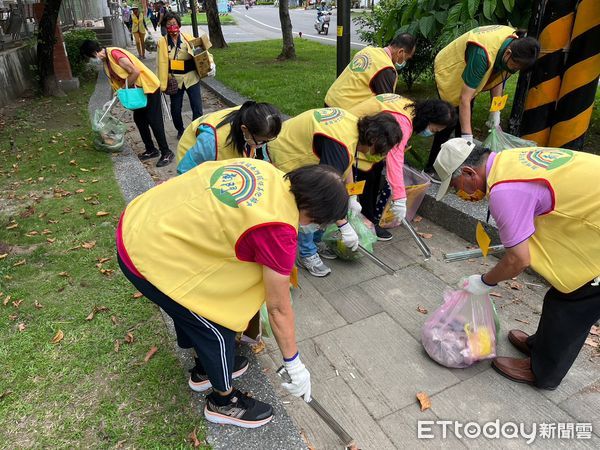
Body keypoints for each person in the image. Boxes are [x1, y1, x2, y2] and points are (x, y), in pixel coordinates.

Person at [117, 160, 349, 427]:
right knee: (214, 326)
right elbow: (278, 308)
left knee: (195, 312)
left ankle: (206, 369)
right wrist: (294, 363)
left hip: (145, 219)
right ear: (312, 210)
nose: (315, 228)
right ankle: (223, 402)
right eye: (318, 223)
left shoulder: (266, 171)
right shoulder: (278, 229)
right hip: (145, 254)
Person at [433, 139, 600, 390]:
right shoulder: (509, 160)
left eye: (457, 186)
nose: (462, 194)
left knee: (574, 302)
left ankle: (542, 372)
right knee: (563, 292)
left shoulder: (505, 191)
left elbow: (518, 260)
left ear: (469, 172)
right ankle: (539, 346)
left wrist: (484, 282)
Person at [268, 108, 402, 277]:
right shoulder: (339, 143)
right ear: (374, 140)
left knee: (326, 206)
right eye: (382, 149)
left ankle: (316, 242)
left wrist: (352, 195)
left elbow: (347, 163)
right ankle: (307, 253)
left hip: (298, 147)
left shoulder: (353, 126)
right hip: (286, 155)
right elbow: (324, 192)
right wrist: (344, 226)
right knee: (310, 207)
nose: (379, 155)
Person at [426, 26, 540, 179]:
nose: (515, 70)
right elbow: (464, 98)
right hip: (452, 67)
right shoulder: (482, 55)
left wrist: (495, 112)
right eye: (515, 66)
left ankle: (459, 167)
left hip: (471, 70)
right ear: (508, 54)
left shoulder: (514, 47)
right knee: (448, 117)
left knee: (464, 118)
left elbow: (499, 76)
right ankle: (431, 168)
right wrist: (467, 138)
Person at [349, 94, 456, 240]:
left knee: (373, 174)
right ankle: (366, 223)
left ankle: (369, 220)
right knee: (367, 179)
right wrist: (399, 198)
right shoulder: (402, 123)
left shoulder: (408, 106)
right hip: (355, 140)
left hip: (363, 136)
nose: (431, 134)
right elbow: (395, 159)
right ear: (427, 119)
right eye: (433, 129)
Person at [80, 40, 175, 167]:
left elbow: (135, 72)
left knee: (154, 121)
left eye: (89, 57)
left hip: (149, 88)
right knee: (140, 120)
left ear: (93, 53)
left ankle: (166, 152)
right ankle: (151, 150)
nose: (90, 60)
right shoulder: (106, 60)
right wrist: (117, 94)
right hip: (138, 92)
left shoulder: (115, 54)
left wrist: (122, 90)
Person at [177, 101, 283, 174]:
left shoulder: (253, 115)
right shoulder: (211, 141)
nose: (262, 145)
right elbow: (184, 170)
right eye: (261, 141)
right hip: (191, 155)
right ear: (244, 129)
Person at [157, 12, 215, 139]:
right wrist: (162, 84)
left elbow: (202, 51)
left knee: (197, 107)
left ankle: (196, 129)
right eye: (168, 24)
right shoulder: (162, 42)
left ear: (178, 24)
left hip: (191, 77)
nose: (172, 27)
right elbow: (160, 63)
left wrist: (210, 62)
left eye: (174, 24)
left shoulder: (188, 37)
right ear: (165, 27)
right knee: (176, 109)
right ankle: (180, 130)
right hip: (175, 80)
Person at [324, 33, 416, 111]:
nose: (404, 62)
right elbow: (387, 105)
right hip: (344, 110)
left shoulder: (368, 51)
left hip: (330, 100)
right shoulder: (386, 68)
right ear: (400, 52)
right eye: (407, 58)